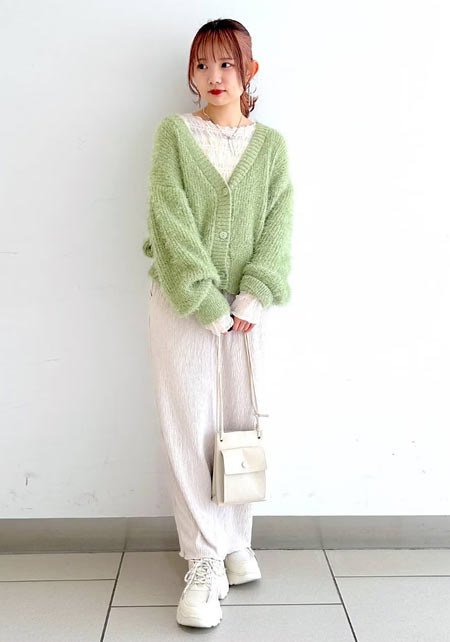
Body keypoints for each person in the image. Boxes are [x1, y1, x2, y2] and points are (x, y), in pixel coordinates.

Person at [142, 18, 294, 628]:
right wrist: (207, 302)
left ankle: (234, 540)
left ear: (249, 71)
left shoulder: (271, 146)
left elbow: (279, 224)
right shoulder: (174, 135)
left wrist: (252, 296)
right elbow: (168, 221)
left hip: (248, 313)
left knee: (240, 426)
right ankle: (203, 561)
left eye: (227, 63)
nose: (214, 76)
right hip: (184, 304)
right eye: (202, 65)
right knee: (188, 427)